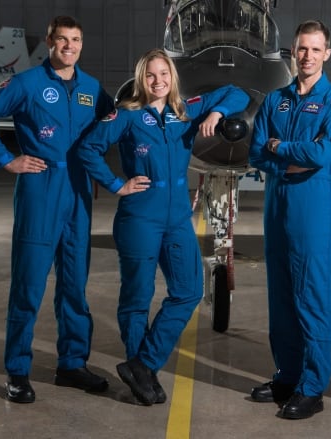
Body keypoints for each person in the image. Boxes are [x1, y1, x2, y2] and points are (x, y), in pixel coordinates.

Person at [76, 48, 249, 406]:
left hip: (176, 219)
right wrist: (115, 184)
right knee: (137, 299)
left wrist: (216, 111)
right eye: (151, 75)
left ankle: (144, 363)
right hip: (139, 215)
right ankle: (144, 376)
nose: (158, 81)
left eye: (164, 74)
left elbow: (239, 93)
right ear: (142, 79)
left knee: (188, 291)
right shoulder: (127, 115)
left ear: (173, 77)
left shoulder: (187, 110)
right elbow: (88, 149)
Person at [0, 16, 114, 404]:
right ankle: (17, 370)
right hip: (41, 188)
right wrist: (6, 159)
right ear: (49, 42)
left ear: (82, 44)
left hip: (79, 192)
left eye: (76, 40)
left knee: (74, 286)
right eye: (62, 40)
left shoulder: (92, 89)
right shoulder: (28, 83)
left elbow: (118, 124)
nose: (69, 46)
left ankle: (72, 364)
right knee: (29, 285)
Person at [247, 20, 331, 420]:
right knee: (281, 298)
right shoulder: (275, 101)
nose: (306, 57)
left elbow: (323, 156)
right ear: (293, 52)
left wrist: (281, 148)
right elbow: (257, 153)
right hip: (278, 206)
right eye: (300, 49)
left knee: (312, 298)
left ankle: (312, 386)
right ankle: (286, 376)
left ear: (327, 53)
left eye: (314, 49)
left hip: (311, 209)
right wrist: (291, 156)